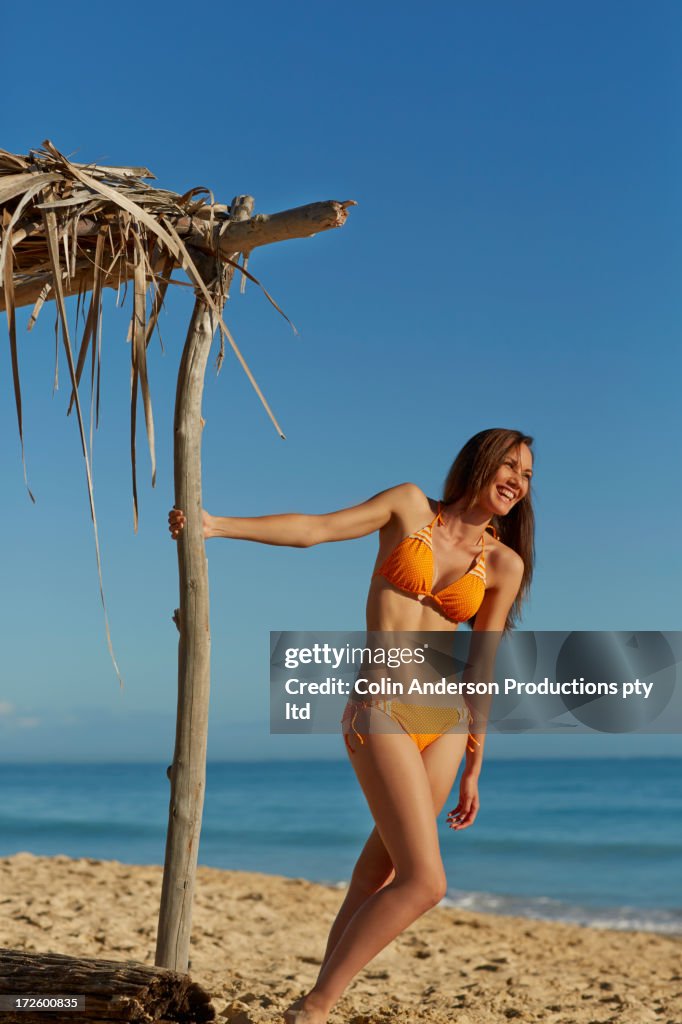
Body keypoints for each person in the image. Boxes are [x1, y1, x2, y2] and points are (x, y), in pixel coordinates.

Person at [169, 427, 535, 1024]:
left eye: (527, 476)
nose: (518, 482)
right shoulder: (409, 506)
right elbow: (315, 530)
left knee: (381, 870)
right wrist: (215, 525)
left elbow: (482, 666)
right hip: (381, 707)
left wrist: (475, 764)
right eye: (511, 467)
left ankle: (315, 1000)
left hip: (443, 722)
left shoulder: (503, 562)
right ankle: (314, 1009)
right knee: (426, 882)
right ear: (480, 463)